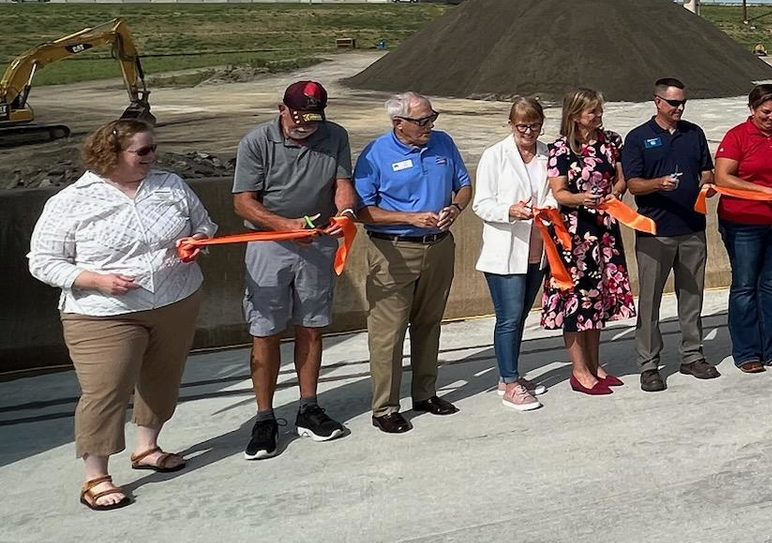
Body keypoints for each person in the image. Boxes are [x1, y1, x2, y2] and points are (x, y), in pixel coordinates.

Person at [29, 119, 216, 511]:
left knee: (163, 378)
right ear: (111, 154)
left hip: (175, 299)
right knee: (106, 391)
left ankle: (147, 448)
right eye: (144, 152)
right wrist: (94, 279)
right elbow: (42, 262)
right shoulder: (71, 201)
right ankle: (95, 476)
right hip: (103, 313)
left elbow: (204, 224)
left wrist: (198, 240)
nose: (154, 157)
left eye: (154, 149)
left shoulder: (170, 186)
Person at [231, 80, 356, 459]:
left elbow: (342, 184)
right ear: (281, 109)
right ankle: (265, 416)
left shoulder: (334, 136)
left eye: (312, 122)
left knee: (312, 327)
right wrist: (283, 226)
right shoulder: (256, 142)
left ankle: (309, 407)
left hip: (317, 243)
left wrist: (346, 213)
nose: (305, 128)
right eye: (298, 120)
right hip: (269, 244)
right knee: (265, 330)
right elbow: (243, 203)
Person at [354, 92, 472, 433]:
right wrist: (409, 217)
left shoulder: (443, 143)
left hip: (438, 247)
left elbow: (463, 185)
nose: (430, 125)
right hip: (393, 251)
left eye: (432, 118)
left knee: (429, 324)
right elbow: (361, 210)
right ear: (398, 123)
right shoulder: (375, 154)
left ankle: (425, 393)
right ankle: (385, 407)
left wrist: (456, 207)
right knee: (388, 333)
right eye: (422, 121)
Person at [622, 77, 720, 392]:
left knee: (692, 298)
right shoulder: (638, 138)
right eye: (674, 103)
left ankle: (692, 355)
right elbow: (632, 184)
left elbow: (707, 169)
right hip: (655, 231)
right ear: (658, 102)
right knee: (649, 301)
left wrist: (706, 183)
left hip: (691, 229)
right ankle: (649, 365)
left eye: (683, 103)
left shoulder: (694, 133)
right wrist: (658, 184)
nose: (679, 108)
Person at [540, 87, 635, 395]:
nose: (598, 116)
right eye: (592, 111)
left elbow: (621, 177)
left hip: (604, 231)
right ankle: (579, 371)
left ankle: (595, 365)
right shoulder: (561, 149)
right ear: (575, 115)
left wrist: (615, 192)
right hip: (575, 235)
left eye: (599, 110)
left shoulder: (611, 142)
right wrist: (584, 198)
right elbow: (560, 193)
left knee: (597, 300)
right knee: (576, 302)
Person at [714, 84, 772, 374]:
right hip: (743, 223)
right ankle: (746, 351)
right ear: (752, 109)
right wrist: (761, 190)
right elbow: (723, 177)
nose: (771, 117)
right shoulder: (737, 137)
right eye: (766, 112)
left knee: (769, 285)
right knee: (744, 286)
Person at [473, 96, 554, 412]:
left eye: (534, 126)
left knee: (519, 316)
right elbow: (482, 204)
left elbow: (554, 193)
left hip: (537, 250)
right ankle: (509, 382)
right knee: (507, 317)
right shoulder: (495, 156)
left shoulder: (548, 153)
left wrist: (550, 210)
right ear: (511, 124)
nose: (529, 132)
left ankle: (511, 376)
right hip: (506, 250)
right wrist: (510, 210)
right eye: (522, 126)